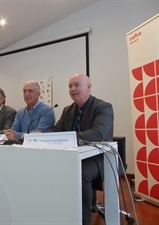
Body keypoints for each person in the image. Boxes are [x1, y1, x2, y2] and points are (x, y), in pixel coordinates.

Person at [48, 73, 114, 225]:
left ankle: (82, 221)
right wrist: (41, 136)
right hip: (73, 155)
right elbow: (56, 130)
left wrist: (67, 138)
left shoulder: (103, 107)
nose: (72, 89)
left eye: (77, 85)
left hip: (99, 157)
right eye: (70, 86)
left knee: (79, 171)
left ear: (89, 87)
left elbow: (97, 134)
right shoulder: (67, 110)